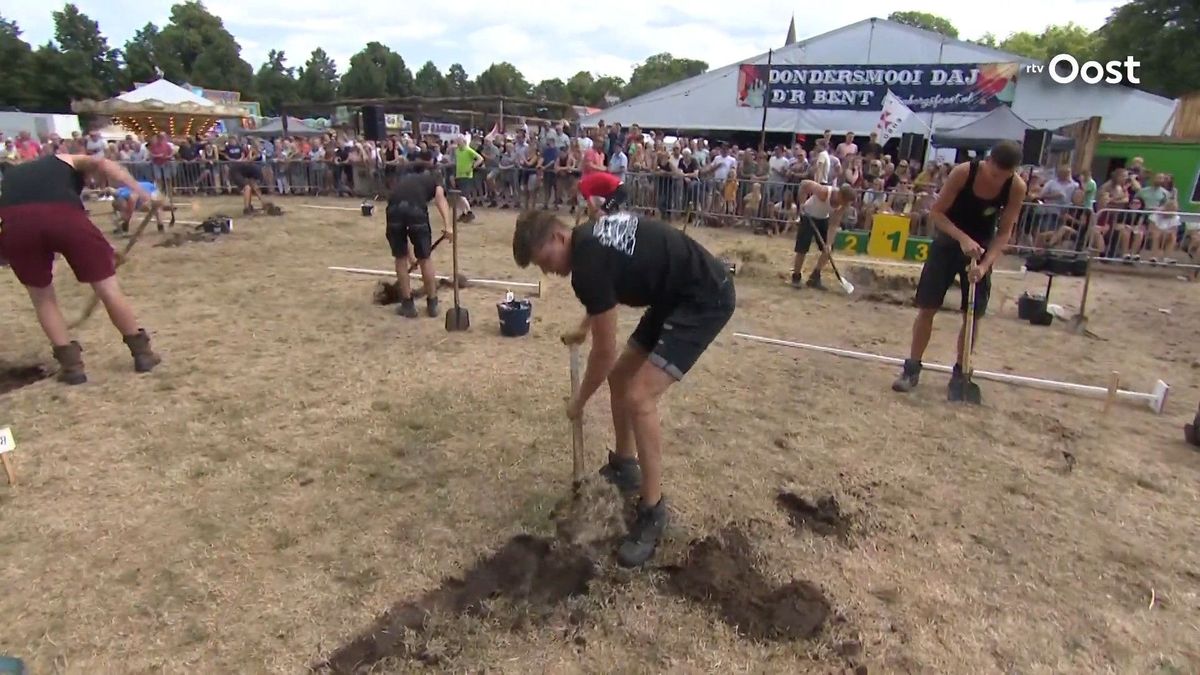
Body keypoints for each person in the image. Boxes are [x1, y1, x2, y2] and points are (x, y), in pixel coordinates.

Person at [512, 209, 736, 567]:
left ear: (557, 238)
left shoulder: (587, 264)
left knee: (638, 396)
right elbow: (605, 293)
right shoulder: (587, 238)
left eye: (545, 260)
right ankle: (624, 465)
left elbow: (603, 353)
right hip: (672, 295)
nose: (547, 271)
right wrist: (585, 326)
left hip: (703, 297)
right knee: (621, 378)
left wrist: (579, 401)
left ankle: (652, 511)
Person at [0, 153, 162, 384]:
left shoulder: (14, 176)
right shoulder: (67, 159)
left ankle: (72, 368)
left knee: (42, 298)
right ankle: (142, 354)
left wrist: (105, 250)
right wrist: (144, 193)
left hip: (14, 226)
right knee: (108, 290)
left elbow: (40, 222)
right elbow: (104, 164)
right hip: (61, 218)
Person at [891, 140, 1027, 399]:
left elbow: (1005, 232)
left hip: (982, 248)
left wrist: (985, 266)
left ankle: (961, 370)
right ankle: (912, 368)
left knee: (973, 315)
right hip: (948, 241)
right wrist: (962, 238)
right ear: (987, 163)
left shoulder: (1016, 187)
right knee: (927, 307)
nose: (998, 179)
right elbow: (937, 213)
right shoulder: (964, 172)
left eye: (1004, 176)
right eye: (994, 173)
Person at [385, 152, 455, 318]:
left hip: (394, 209)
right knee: (425, 258)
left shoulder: (404, 173)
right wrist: (448, 226)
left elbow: (402, 205)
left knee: (400, 258)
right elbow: (440, 198)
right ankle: (432, 304)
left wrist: (410, 258)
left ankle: (408, 305)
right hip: (416, 211)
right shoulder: (436, 175)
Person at [790, 181, 856, 289]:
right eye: (845, 201)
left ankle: (815, 276)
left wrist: (828, 244)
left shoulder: (843, 206)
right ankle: (796, 276)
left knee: (828, 249)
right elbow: (804, 184)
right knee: (802, 248)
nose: (846, 205)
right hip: (808, 215)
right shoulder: (824, 192)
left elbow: (834, 224)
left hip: (823, 219)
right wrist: (801, 203)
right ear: (840, 195)